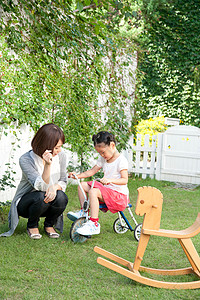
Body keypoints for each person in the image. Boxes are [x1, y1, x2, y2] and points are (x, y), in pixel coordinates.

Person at [0, 123, 68, 239]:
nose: (59, 151)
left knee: (61, 196)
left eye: (60, 146)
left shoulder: (61, 156)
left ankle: (49, 224)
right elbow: (40, 186)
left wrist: (54, 187)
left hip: (48, 199)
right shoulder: (26, 159)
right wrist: (47, 165)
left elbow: (63, 181)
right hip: (27, 203)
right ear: (45, 145)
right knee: (40, 196)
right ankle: (32, 225)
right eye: (56, 147)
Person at [67, 131, 129, 236]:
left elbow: (125, 180)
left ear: (112, 145)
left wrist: (110, 181)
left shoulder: (121, 160)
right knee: (82, 185)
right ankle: (84, 212)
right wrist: (77, 176)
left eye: (103, 152)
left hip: (118, 196)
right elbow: (92, 171)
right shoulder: (104, 159)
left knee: (94, 192)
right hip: (108, 191)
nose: (101, 155)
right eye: (99, 153)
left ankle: (94, 223)